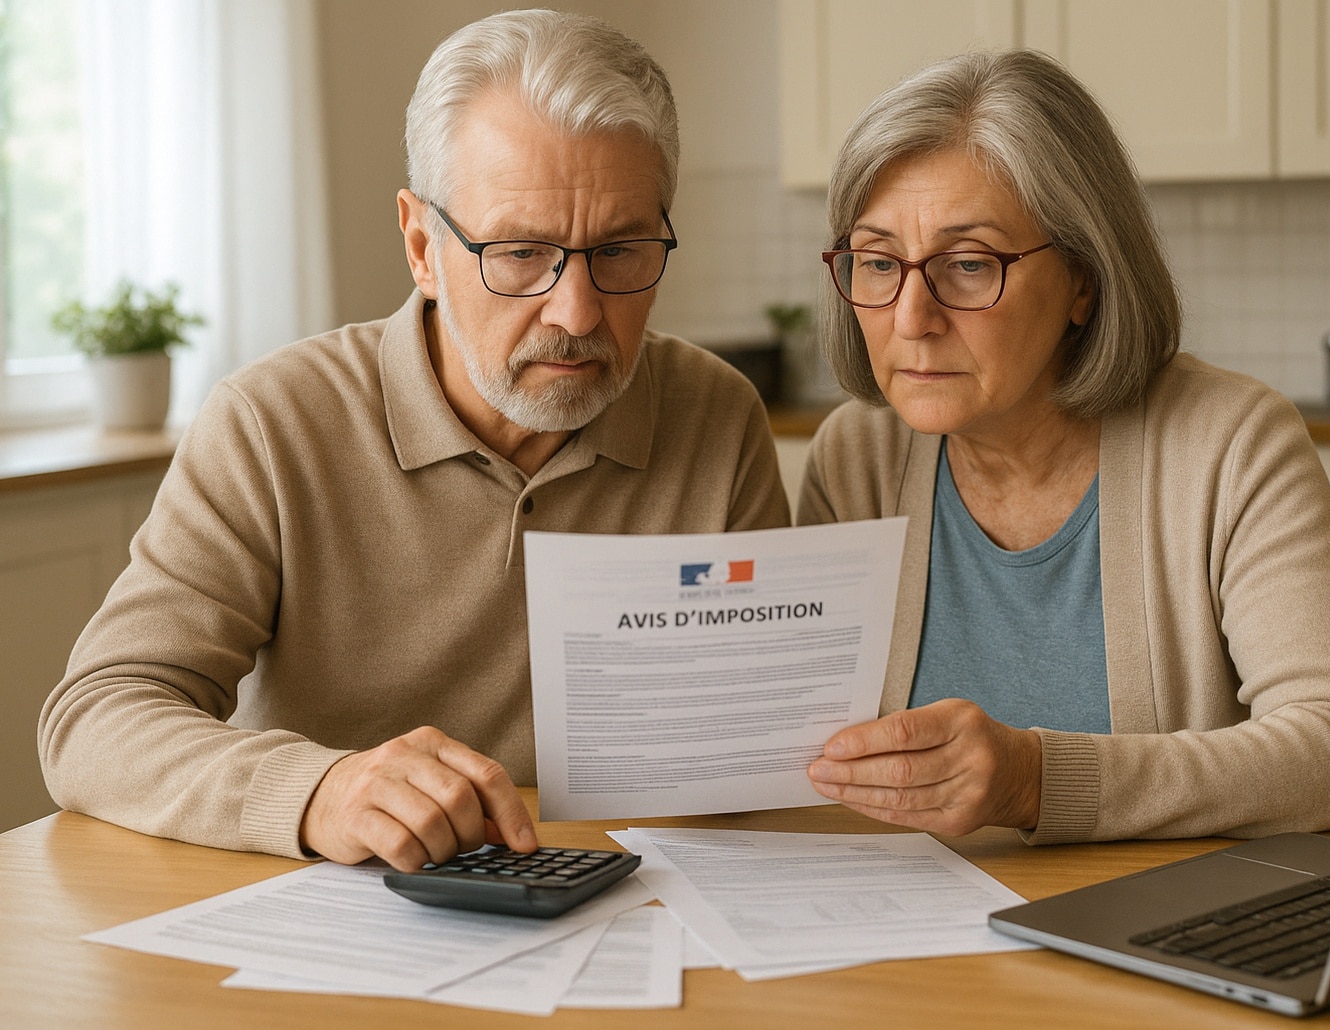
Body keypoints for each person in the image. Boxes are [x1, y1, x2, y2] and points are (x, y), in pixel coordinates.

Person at [39, 10, 789, 870]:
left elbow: (752, 745)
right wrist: (320, 792)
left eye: (620, 251)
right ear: (421, 245)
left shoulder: (717, 415)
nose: (578, 312)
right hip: (336, 923)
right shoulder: (271, 422)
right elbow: (95, 717)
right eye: (519, 253)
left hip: (625, 898)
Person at [798, 49, 1330, 844]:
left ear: (1083, 280)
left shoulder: (1230, 443)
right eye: (878, 263)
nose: (911, 318)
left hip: (1152, 933)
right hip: (907, 941)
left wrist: (1040, 783)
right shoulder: (855, 459)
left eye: (970, 266)